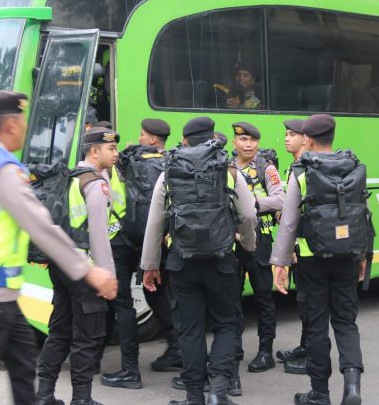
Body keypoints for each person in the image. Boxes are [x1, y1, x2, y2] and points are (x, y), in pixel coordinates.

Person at [0, 91, 117, 405]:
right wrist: (88, 271)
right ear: (10, 125)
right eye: (23, 121)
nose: (26, 128)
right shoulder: (4, 170)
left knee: (24, 365)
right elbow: (41, 226)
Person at [141, 116, 258, 405]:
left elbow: (155, 222)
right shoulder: (228, 168)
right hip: (221, 260)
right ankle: (218, 389)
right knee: (227, 325)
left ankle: (194, 397)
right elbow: (248, 215)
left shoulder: (170, 168)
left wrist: (150, 265)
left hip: (182, 263)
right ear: (212, 138)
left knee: (190, 329)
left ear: (185, 140)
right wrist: (247, 244)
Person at [271, 114, 366, 405]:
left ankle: (320, 394)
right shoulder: (352, 164)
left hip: (312, 259)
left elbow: (288, 222)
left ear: (308, 140)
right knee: (346, 322)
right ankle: (352, 385)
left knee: (316, 326)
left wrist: (281, 263)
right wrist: (362, 255)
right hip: (348, 256)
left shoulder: (301, 170)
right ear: (332, 137)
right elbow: (362, 213)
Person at [36, 127, 119, 405]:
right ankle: (81, 399)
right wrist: (107, 275)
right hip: (86, 270)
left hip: (62, 266)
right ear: (94, 151)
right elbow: (99, 234)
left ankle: (44, 394)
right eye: (111, 149)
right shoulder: (95, 183)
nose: (116, 154)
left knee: (59, 331)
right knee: (87, 337)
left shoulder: (70, 177)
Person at [100, 118, 182, 390]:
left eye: (142, 134)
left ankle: (130, 370)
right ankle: (177, 347)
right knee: (156, 290)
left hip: (123, 239)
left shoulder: (125, 161)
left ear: (152, 139)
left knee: (123, 303)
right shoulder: (172, 162)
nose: (139, 138)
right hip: (153, 239)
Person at [231, 121, 284, 375]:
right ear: (235, 143)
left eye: (252, 140)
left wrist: (250, 203)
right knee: (231, 296)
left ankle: (266, 351)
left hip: (260, 241)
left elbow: (280, 198)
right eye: (243, 140)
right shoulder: (227, 168)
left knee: (263, 296)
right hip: (233, 241)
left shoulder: (266, 167)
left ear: (258, 143)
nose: (248, 144)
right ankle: (233, 347)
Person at [276, 119, 309, 375]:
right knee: (304, 302)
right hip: (299, 247)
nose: (287, 139)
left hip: (307, 248)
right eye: (286, 134)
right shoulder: (294, 167)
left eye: (292, 135)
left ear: (305, 138)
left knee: (310, 304)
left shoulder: (307, 168)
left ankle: (311, 353)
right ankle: (305, 346)